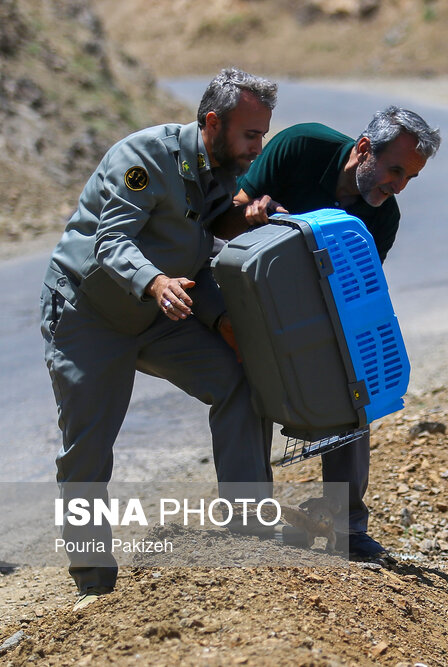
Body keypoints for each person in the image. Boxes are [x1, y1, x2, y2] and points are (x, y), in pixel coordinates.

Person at [40, 68, 279, 608]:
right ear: (213, 123)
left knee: (238, 380)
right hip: (90, 314)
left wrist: (246, 233)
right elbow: (112, 240)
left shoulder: (218, 167)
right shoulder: (145, 158)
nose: (256, 147)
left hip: (160, 312)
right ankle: (93, 583)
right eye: (250, 134)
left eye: (263, 134)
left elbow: (207, 235)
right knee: (88, 451)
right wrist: (154, 281)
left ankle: (249, 532)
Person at [234, 107, 442, 560]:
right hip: (248, 289)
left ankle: (347, 526)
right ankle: (249, 521)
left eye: (409, 178)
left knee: (354, 384)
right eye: (395, 170)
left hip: (313, 305)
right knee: (246, 389)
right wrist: (253, 212)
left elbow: (352, 296)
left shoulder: (382, 218)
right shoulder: (303, 146)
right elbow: (228, 211)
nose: (398, 186)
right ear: (364, 149)